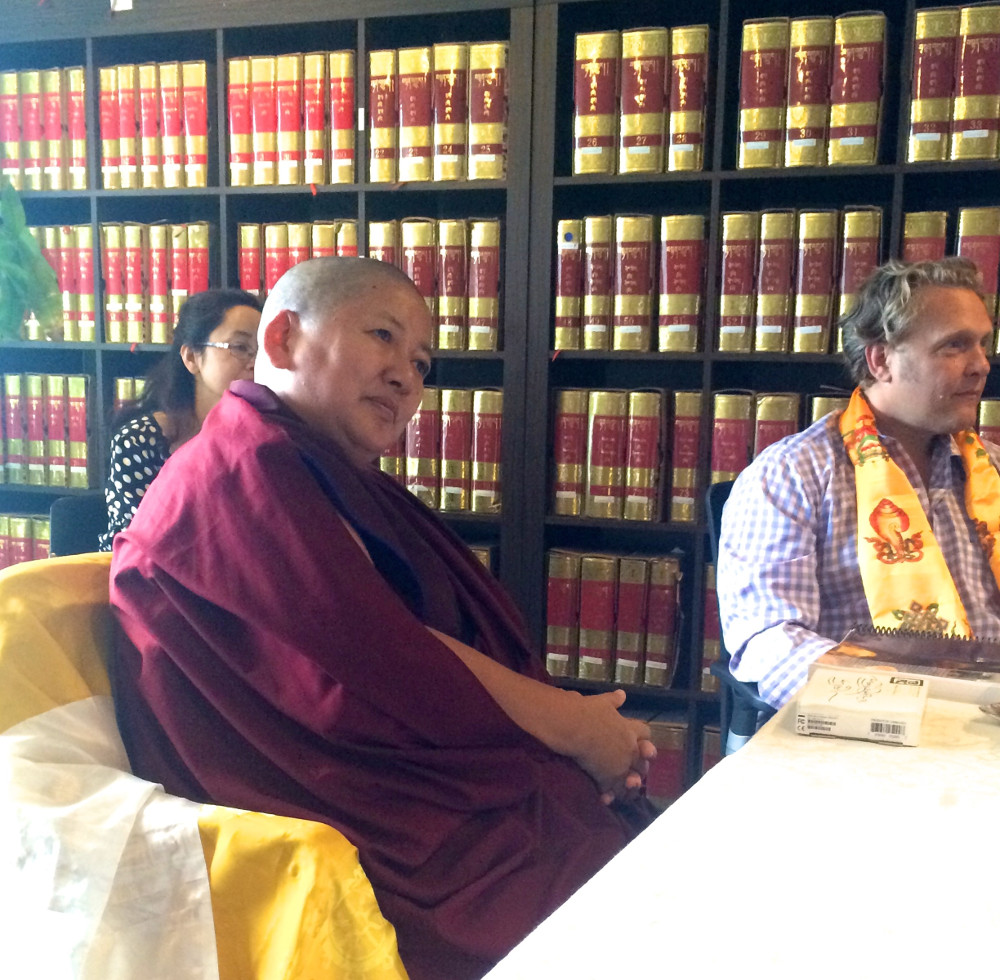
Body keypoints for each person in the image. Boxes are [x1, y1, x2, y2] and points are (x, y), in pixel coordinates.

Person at [108, 257, 657, 980]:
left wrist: (581, 736)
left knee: (647, 863)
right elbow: (388, 659)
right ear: (281, 341)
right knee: (624, 914)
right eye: (382, 336)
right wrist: (575, 729)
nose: (406, 376)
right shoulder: (239, 470)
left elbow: (392, 645)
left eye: (423, 363)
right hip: (362, 818)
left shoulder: (320, 468)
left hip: (428, 780)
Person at [717, 256, 1000, 710]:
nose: (981, 365)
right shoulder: (792, 476)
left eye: (983, 344)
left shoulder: (992, 470)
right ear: (881, 358)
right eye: (955, 346)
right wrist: (895, 703)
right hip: (870, 729)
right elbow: (769, 642)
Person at [97, 288, 263, 550]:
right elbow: (135, 545)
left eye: (261, 350)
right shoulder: (142, 440)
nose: (255, 362)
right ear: (191, 357)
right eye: (240, 347)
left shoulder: (268, 434)